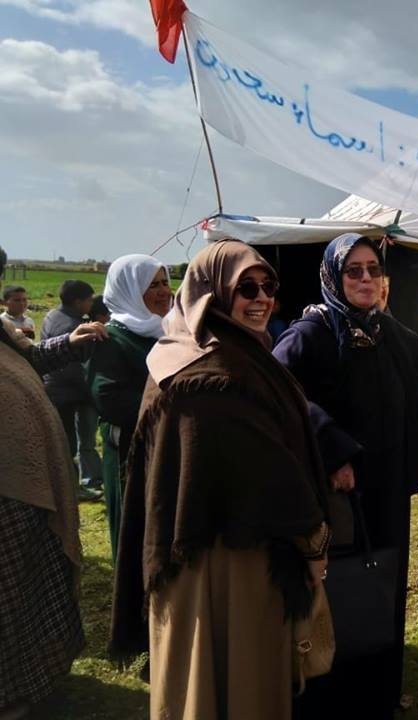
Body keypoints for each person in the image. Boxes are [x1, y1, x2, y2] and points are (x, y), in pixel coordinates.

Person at [273, 233, 418, 717]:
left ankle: (377, 691)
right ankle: (330, 694)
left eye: (373, 270)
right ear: (333, 276)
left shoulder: (383, 329)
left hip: (387, 487)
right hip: (338, 494)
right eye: (353, 270)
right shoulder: (311, 333)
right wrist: (333, 450)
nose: (365, 279)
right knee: (339, 587)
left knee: (383, 584)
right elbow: (280, 392)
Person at [111, 240, 331, 720]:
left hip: (219, 550)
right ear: (210, 293)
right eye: (245, 288)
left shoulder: (206, 353)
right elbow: (269, 474)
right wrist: (312, 543)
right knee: (229, 680)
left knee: (215, 680)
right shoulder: (211, 372)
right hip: (224, 563)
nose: (261, 299)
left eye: (268, 287)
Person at [0, 245, 107, 719]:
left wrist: (73, 341)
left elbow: (31, 356)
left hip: (24, 485)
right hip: (8, 486)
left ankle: (28, 681)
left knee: (28, 579)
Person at [86, 254, 171, 563]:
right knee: (134, 530)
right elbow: (108, 397)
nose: (164, 291)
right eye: (152, 285)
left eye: (165, 282)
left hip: (167, 446)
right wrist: (172, 409)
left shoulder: (169, 332)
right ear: (130, 290)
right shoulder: (112, 339)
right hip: (130, 453)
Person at [41, 279, 103, 500]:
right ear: (78, 302)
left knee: (73, 440)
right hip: (65, 393)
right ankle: (71, 490)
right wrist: (90, 390)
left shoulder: (53, 315)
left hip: (61, 390)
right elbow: (71, 368)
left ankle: (77, 484)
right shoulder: (70, 327)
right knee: (67, 443)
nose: (90, 304)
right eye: (88, 300)